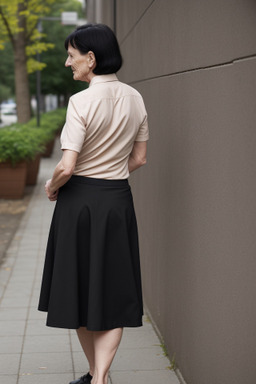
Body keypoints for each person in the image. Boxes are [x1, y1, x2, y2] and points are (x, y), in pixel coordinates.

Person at [38, 23, 149, 384]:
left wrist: (52, 186)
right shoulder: (136, 98)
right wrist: (113, 170)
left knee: (78, 292)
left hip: (80, 203)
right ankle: (97, 376)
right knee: (112, 292)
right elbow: (140, 159)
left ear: (91, 58)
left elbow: (67, 165)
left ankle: (97, 379)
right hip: (117, 202)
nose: (68, 63)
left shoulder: (81, 101)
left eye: (71, 56)